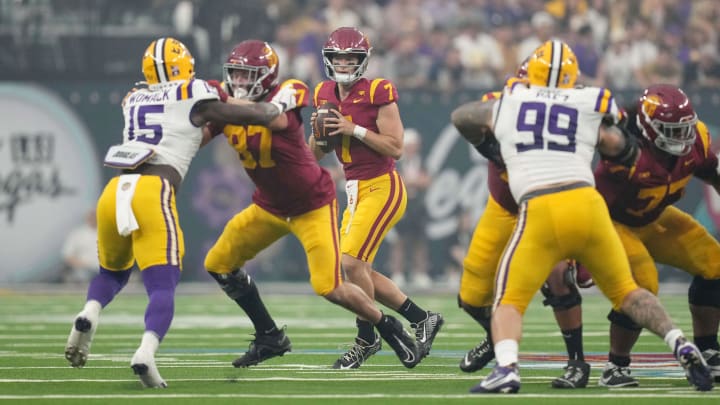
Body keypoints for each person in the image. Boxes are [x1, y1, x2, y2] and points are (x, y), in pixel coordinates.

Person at [451, 39, 712, 393]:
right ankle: (679, 341)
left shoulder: (509, 103)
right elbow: (616, 141)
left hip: (539, 207)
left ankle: (509, 367)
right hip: (586, 204)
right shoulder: (589, 99)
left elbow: (462, 117)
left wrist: (491, 147)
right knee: (629, 291)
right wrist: (626, 153)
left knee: (509, 299)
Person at [64, 37, 300, 388]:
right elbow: (252, 114)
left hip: (115, 191)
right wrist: (281, 104)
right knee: (162, 284)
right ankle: (145, 353)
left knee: (112, 273)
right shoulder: (195, 92)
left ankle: (89, 312)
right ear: (185, 66)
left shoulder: (133, 97)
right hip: (152, 191)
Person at [203, 39, 423, 370]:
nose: (241, 82)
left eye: (249, 76)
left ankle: (386, 328)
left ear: (266, 76)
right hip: (269, 206)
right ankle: (269, 336)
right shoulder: (234, 103)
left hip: (312, 205)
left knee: (331, 284)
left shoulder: (289, 90)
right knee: (218, 262)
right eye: (235, 74)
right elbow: (197, 135)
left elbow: (268, 116)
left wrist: (212, 99)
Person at [308, 27, 443, 369]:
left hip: (383, 185)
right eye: (338, 57)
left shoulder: (378, 90)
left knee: (351, 263)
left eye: (350, 58)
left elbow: (395, 146)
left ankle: (366, 339)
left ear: (362, 61)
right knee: (357, 268)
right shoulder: (323, 92)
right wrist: (319, 133)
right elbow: (316, 154)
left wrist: (353, 128)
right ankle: (422, 318)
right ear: (328, 60)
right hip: (354, 189)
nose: (343, 63)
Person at [457, 61, 592, 389]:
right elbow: (465, 120)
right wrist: (487, 145)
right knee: (471, 296)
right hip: (504, 207)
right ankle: (497, 339)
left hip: (548, 202)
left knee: (559, 278)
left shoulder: (570, 109)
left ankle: (577, 362)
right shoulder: (499, 102)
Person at [592, 84, 720, 387]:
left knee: (714, 262)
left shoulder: (696, 139)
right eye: (671, 130)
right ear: (649, 128)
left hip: (656, 215)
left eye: (685, 128)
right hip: (616, 224)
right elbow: (594, 209)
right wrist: (581, 256)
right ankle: (616, 365)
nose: (683, 137)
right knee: (643, 283)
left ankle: (708, 350)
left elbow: (712, 172)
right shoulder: (624, 155)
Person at [388, 128, 432, 289]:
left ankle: (420, 273)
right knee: (399, 240)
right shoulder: (396, 162)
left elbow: (427, 181)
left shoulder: (423, 161)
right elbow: (397, 181)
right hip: (401, 204)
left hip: (418, 206)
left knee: (419, 241)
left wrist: (412, 181)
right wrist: (412, 181)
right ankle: (398, 273)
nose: (412, 148)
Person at [60, 209, 99, 284]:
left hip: (102, 270)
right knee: (83, 274)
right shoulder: (77, 234)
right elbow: (67, 256)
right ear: (87, 218)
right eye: (91, 216)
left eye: (95, 216)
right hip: (85, 270)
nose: (93, 219)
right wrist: (83, 265)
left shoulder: (107, 234)